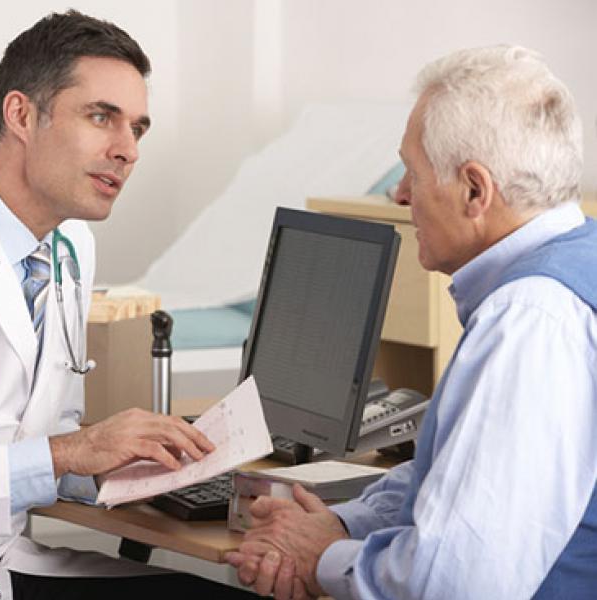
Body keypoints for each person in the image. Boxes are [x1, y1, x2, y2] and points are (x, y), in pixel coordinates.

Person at [0, 10, 258, 600]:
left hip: (5, 557)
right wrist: (71, 452)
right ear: (20, 115)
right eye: (101, 118)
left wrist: (123, 469)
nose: (127, 151)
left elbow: (51, 434)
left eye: (138, 129)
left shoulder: (70, 248)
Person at [226, 45, 597, 599]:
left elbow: (456, 582)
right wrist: (346, 522)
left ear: (475, 189)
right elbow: (456, 473)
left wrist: (321, 556)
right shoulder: (575, 265)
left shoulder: (527, 320)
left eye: (413, 174)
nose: (399, 195)